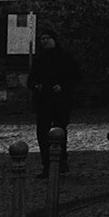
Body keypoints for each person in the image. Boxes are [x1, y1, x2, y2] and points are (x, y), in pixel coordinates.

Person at [26, 33, 81, 176]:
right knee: (43, 133)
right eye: (42, 39)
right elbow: (31, 79)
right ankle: (47, 165)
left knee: (59, 131)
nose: (44, 41)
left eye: (47, 38)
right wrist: (36, 86)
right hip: (44, 101)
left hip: (60, 101)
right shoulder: (40, 59)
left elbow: (74, 76)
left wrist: (63, 86)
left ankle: (61, 163)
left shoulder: (64, 57)